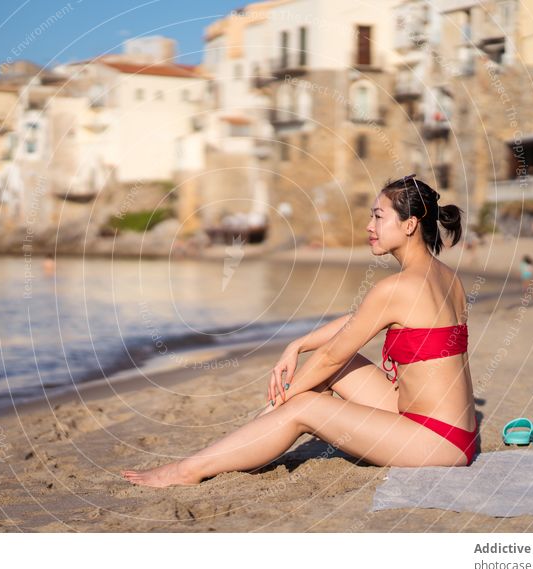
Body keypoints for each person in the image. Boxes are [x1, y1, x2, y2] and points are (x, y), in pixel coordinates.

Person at [121, 174, 478, 488]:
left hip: (436, 441)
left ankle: (191, 468)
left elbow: (328, 356)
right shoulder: (447, 278)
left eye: (379, 216)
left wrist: (281, 403)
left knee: (305, 404)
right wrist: (298, 343)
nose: (369, 225)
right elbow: (358, 322)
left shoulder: (397, 288)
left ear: (410, 225)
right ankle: (261, 435)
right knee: (336, 369)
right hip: (449, 429)